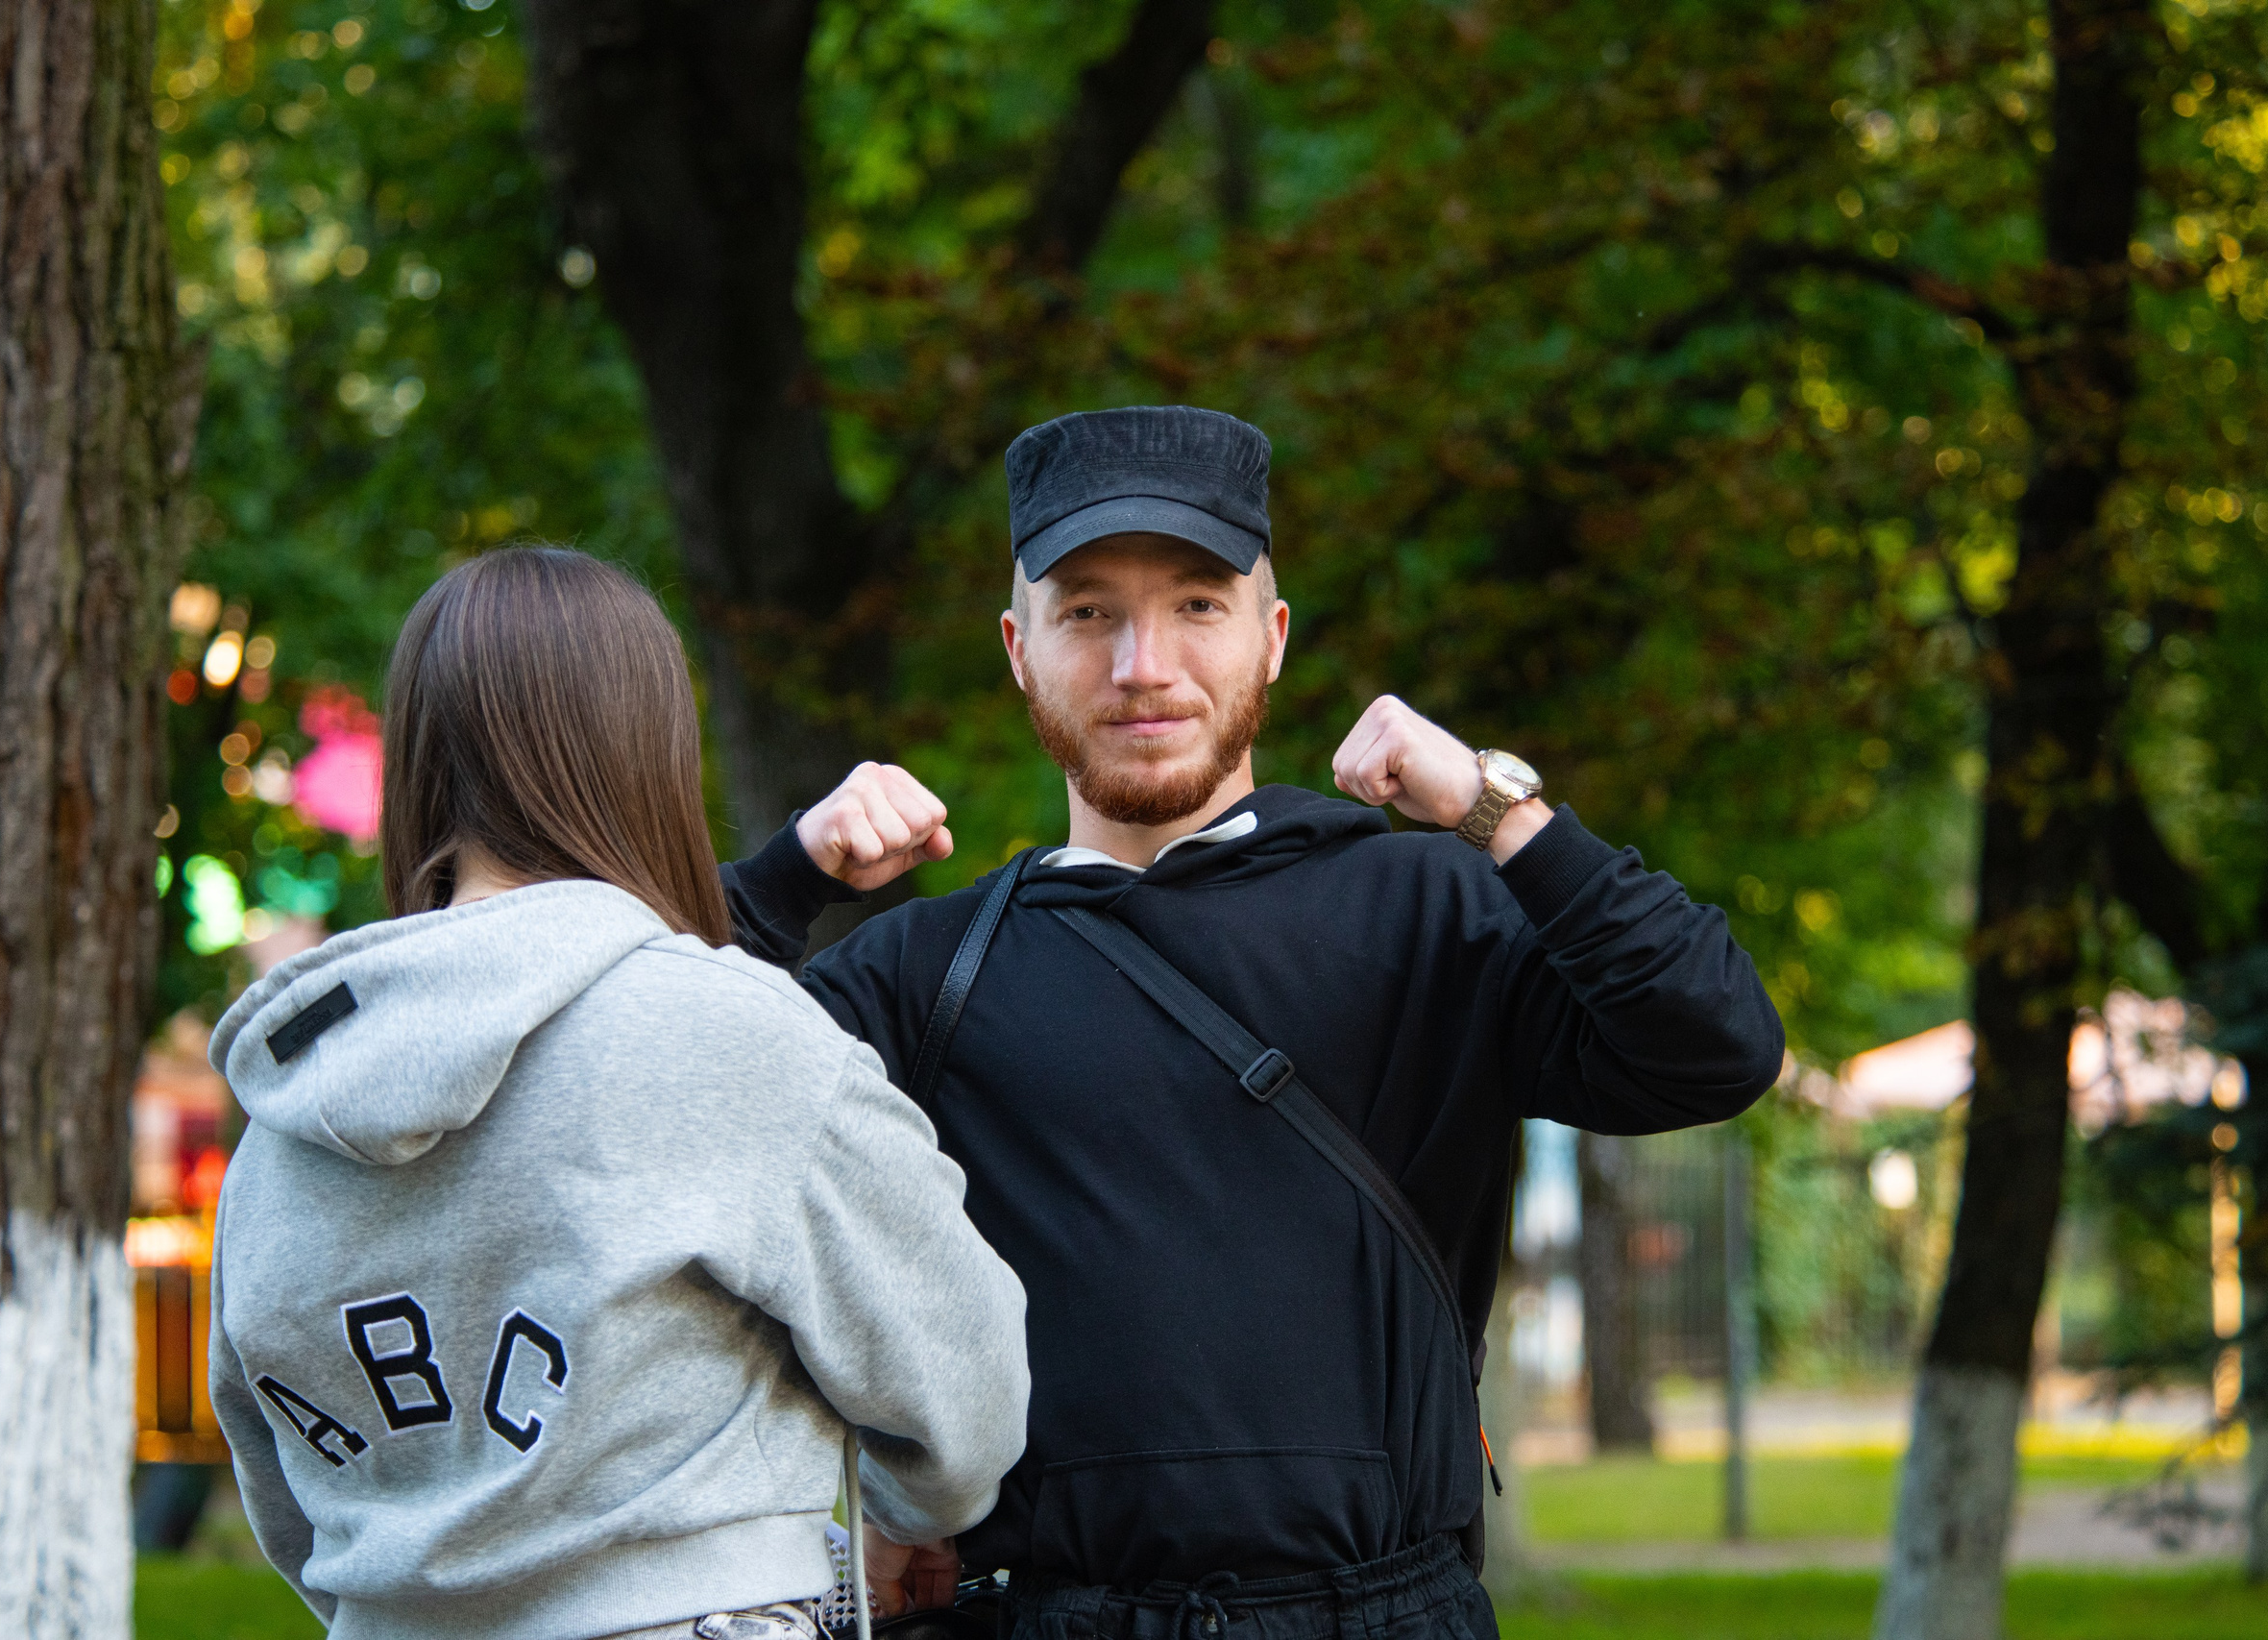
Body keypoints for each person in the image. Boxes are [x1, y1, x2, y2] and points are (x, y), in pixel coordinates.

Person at [732, 405, 1787, 1640]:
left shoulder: (1432, 909)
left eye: (1196, 604)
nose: (1143, 665)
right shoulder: (929, 969)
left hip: (1387, 1613)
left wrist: (1499, 810)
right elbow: (638, 1106)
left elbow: (1717, 1042)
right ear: (1018, 650)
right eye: (1087, 613)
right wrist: (779, 880)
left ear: (1270, 638)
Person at [205, 548, 1029, 1639]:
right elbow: (964, 1385)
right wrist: (905, 1514)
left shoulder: (284, 1114)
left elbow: (285, 1493)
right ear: (646, 752)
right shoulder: (731, 1037)